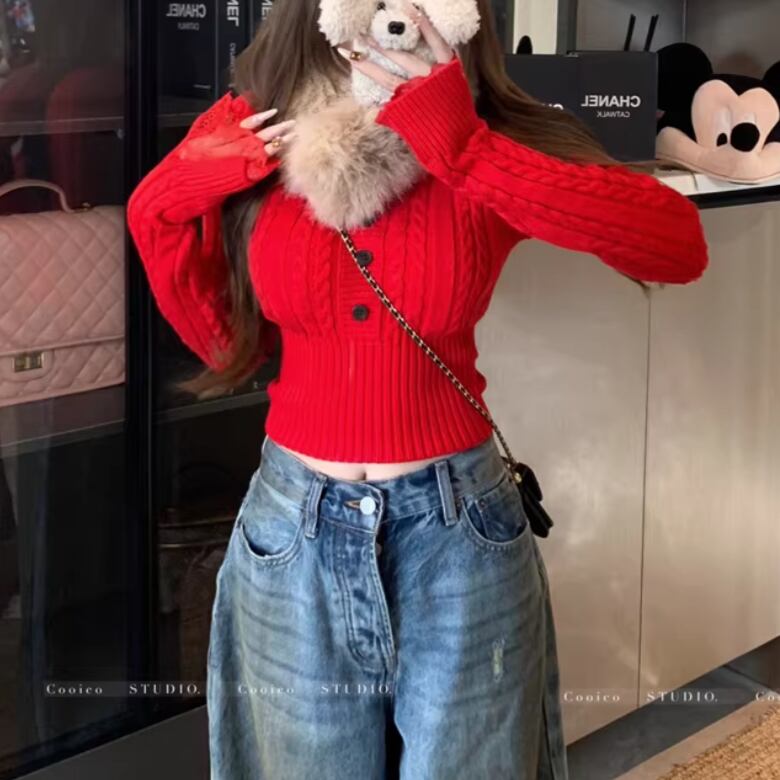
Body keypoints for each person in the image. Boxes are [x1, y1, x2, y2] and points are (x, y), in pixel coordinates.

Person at [127, 0, 709, 777]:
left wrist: (463, 148)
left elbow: (676, 245)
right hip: (293, 532)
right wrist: (161, 202)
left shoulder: (480, 131)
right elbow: (226, 344)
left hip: (459, 533)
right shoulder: (257, 121)